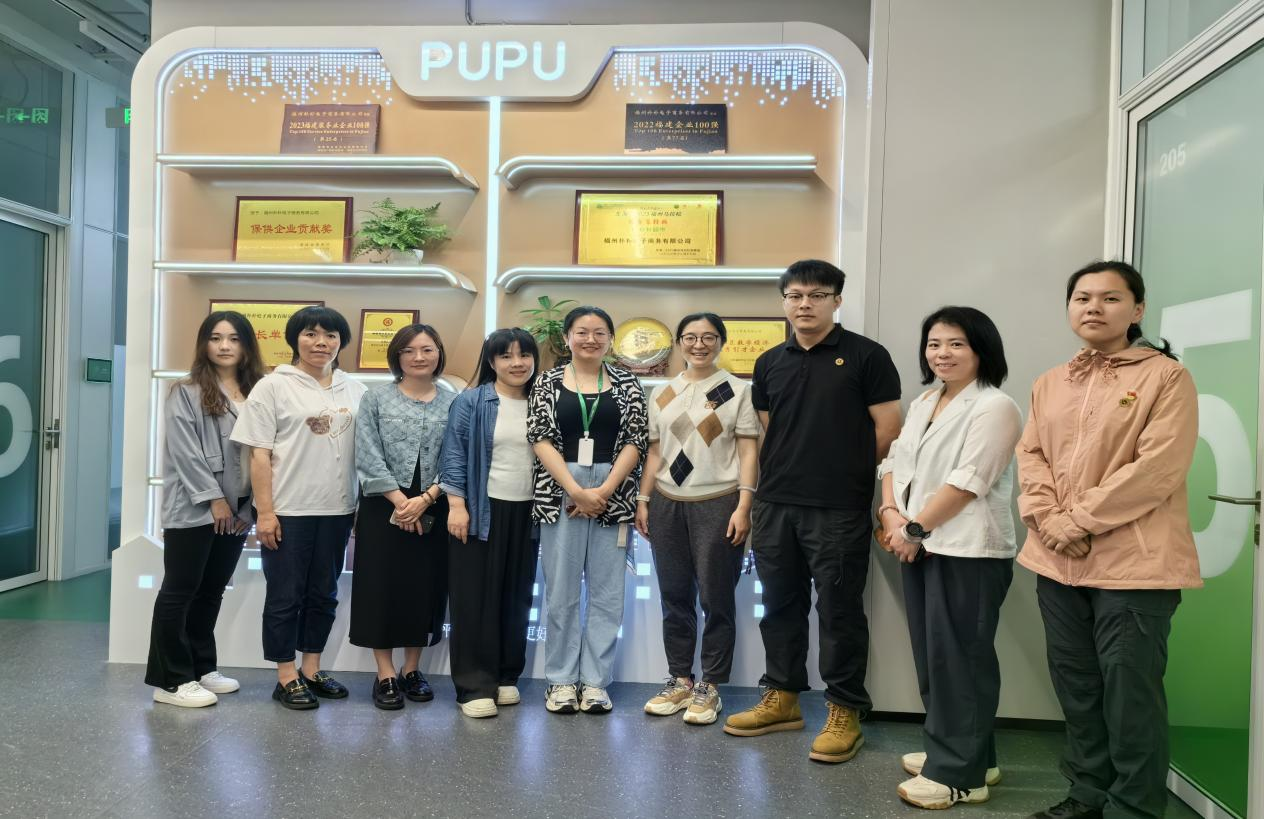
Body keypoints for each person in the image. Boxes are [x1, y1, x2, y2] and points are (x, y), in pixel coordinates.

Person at [1018, 261, 1200, 819]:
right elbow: (1031, 457)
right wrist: (1048, 520)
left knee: (1130, 697)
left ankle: (1132, 808)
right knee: (1077, 687)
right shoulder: (1051, 382)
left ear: (1137, 310)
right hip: (1057, 563)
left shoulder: (1166, 378)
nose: (1093, 307)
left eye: (1111, 298)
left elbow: (1157, 469)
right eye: (1082, 298)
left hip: (1134, 566)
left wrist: (1075, 522)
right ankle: (1087, 796)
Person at [723, 259, 902, 764]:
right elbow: (770, 427)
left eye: (817, 295)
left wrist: (848, 475)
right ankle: (782, 698)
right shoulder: (769, 361)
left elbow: (888, 429)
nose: (805, 304)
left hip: (838, 506)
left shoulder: (867, 356)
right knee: (780, 605)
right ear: (784, 301)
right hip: (776, 503)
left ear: (836, 300)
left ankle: (844, 709)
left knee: (839, 610)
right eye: (795, 295)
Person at [876, 306, 1022, 809]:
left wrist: (913, 529)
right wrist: (890, 514)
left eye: (957, 343)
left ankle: (961, 775)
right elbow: (894, 461)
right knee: (934, 658)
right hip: (918, 542)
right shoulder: (927, 401)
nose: (943, 353)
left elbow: (968, 482)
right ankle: (970, 754)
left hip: (967, 550)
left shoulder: (995, 406)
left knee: (960, 660)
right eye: (934, 344)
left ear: (982, 349)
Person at [230, 306, 366, 710]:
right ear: (295, 340)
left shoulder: (355, 389)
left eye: (330, 335)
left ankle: (311, 669)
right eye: (311, 334)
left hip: (338, 509)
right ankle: (285, 675)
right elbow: (258, 455)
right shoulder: (272, 386)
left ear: (341, 342)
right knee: (285, 595)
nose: (321, 342)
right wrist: (265, 513)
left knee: (323, 594)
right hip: (288, 510)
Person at [635, 313, 759, 725]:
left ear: (721, 341)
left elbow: (748, 452)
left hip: (718, 501)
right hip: (667, 501)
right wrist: (643, 499)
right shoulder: (663, 392)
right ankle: (680, 679)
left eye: (708, 337)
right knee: (674, 595)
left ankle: (711, 685)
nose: (699, 344)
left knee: (716, 598)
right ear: (679, 343)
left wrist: (744, 504)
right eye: (690, 337)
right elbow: (656, 452)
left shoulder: (738, 391)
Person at [528, 306, 648, 714]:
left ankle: (595, 683)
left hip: (614, 494)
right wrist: (577, 491)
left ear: (610, 340)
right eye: (582, 331)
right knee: (561, 592)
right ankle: (561, 681)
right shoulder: (546, 381)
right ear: (567, 338)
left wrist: (604, 491)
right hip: (560, 492)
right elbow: (540, 438)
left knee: (608, 594)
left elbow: (636, 440)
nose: (590, 339)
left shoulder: (628, 382)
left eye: (600, 332)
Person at [146, 311, 265, 707]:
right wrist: (213, 499)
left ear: (247, 345)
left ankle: (201, 667)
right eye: (215, 338)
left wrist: (248, 508)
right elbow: (185, 451)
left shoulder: (259, 390)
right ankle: (171, 680)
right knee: (180, 590)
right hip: (195, 507)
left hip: (238, 509)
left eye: (233, 338)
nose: (224, 346)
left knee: (211, 590)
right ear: (204, 344)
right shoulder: (186, 390)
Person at [439, 328, 541, 719]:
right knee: (474, 599)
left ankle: (505, 675)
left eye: (524, 355)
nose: (517, 363)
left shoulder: (542, 400)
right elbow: (454, 454)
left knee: (517, 596)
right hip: (482, 510)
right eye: (506, 356)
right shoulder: (472, 400)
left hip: (528, 512)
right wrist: (456, 505)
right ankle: (473, 685)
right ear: (491, 361)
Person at [351, 324, 454, 711]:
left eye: (427, 349)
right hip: (383, 504)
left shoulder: (453, 402)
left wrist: (426, 499)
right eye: (408, 351)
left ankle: (412, 669)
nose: (418, 357)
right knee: (380, 586)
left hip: (434, 504)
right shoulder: (376, 398)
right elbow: (367, 452)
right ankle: (385, 673)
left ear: (438, 353)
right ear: (396, 356)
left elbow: (456, 457)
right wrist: (400, 501)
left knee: (424, 587)